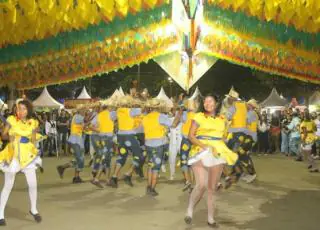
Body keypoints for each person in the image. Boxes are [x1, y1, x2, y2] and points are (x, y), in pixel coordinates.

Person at [185, 94, 238, 227]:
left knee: (211, 188)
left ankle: (210, 218)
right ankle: (190, 209)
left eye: (210, 101)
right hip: (201, 150)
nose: (207, 103)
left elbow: (224, 137)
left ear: (216, 103)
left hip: (217, 152)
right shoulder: (199, 117)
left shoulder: (222, 119)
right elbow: (190, 136)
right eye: (205, 102)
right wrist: (204, 146)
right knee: (201, 184)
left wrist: (224, 140)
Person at [0, 99, 43, 226]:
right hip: (13, 153)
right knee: (8, 184)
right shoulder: (12, 119)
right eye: (19, 108)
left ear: (28, 110)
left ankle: (34, 209)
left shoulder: (33, 122)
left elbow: (34, 140)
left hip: (28, 155)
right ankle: (0, 213)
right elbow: (3, 135)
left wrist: (36, 153)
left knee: (33, 184)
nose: (21, 111)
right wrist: (10, 137)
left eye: (24, 109)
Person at [142, 99, 182, 196]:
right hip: (158, 145)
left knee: (150, 165)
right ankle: (152, 188)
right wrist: (179, 115)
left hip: (148, 144)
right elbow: (173, 125)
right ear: (159, 107)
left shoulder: (145, 117)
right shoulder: (161, 116)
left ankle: (148, 186)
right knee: (156, 168)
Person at [108, 96, 144, 188]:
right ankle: (128, 174)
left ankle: (114, 177)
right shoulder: (131, 111)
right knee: (139, 156)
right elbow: (142, 108)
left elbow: (111, 117)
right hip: (130, 136)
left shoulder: (117, 111)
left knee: (122, 156)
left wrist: (114, 107)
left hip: (121, 136)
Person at [89, 100, 117, 188]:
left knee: (107, 158)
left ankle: (108, 180)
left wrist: (99, 130)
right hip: (108, 138)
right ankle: (96, 178)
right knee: (105, 159)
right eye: (111, 106)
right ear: (108, 107)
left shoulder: (99, 115)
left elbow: (90, 126)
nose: (112, 107)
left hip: (101, 138)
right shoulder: (111, 113)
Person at [56, 106, 87, 183]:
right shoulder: (77, 116)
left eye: (85, 110)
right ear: (79, 111)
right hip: (75, 140)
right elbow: (86, 121)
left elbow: (84, 127)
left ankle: (73, 175)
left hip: (78, 140)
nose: (85, 111)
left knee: (79, 159)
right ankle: (68, 171)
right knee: (80, 159)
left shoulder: (79, 117)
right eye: (83, 110)